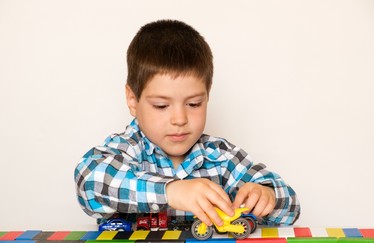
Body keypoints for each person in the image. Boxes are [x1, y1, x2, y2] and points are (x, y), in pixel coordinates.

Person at [74, 19, 300, 227]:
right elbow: (89, 180)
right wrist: (171, 191)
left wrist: (267, 195)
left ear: (207, 95)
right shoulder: (126, 151)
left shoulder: (221, 158)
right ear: (133, 100)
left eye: (194, 104)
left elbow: (292, 208)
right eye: (161, 106)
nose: (180, 119)